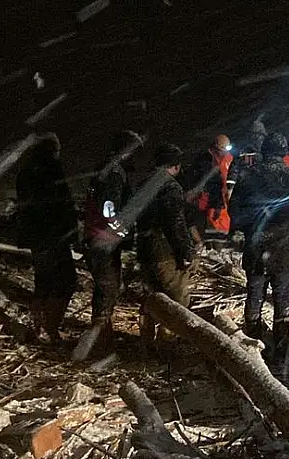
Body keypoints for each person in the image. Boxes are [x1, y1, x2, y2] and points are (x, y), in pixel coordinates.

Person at [229, 132, 289, 358]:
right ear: (284, 152)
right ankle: (282, 347)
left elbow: (233, 209)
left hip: (256, 246)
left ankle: (250, 347)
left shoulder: (248, 175)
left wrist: (247, 228)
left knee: (254, 296)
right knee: (283, 299)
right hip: (285, 247)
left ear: (264, 151)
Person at [73, 130, 143, 361]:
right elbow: (108, 209)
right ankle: (98, 344)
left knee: (108, 287)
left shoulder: (107, 169)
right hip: (103, 240)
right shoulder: (113, 173)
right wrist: (120, 230)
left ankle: (103, 338)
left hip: (98, 237)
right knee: (107, 288)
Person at [15, 132, 79, 344]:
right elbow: (61, 205)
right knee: (66, 282)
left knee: (43, 282)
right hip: (53, 237)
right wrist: (71, 232)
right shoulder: (51, 170)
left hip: (37, 238)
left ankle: (38, 327)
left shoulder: (25, 173)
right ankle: (50, 329)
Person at [136, 143, 195, 353]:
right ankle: (167, 344)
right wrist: (185, 252)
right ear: (176, 166)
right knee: (176, 299)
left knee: (151, 296)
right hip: (164, 250)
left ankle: (146, 341)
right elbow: (175, 224)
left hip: (144, 249)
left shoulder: (143, 183)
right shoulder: (171, 187)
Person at [187, 134, 233, 248]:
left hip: (223, 201)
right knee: (213, 229)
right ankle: (212, 250)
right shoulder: (205, 161)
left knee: (220, 229)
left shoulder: (228, 159)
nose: (225, 152)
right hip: (210, 202)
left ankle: (216, 250)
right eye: (224, 148)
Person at [225, 119, 267, 203]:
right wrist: (230, 187)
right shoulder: (265, 152)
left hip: (256, 192)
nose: (257, 139)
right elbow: (234, 170)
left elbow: (234, 170)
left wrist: (230, 188)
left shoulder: (265, 152)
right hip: (252, 192)